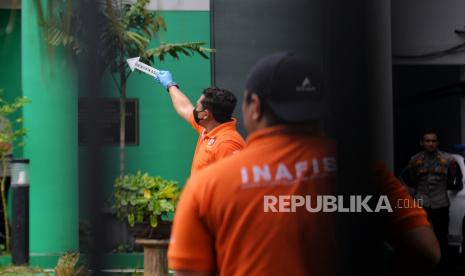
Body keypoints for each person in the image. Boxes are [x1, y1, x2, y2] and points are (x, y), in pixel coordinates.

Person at [167, 52, 439, 275]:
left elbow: (188, 271)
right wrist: (170, 85)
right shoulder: (364, 172)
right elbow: (427, 251)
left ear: (255, 107)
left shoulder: (209, 184)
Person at [153, 73, 246, 175]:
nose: (194, 110)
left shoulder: (227, 144)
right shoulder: (208, 128)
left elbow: (233, 184)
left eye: (197, 107)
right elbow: (184, 107)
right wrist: (170, 85)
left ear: (205, 115)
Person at [405, 130, 462, 274]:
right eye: (427, 141)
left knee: (441, 239)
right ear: (422, 143)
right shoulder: (414, 160)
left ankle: (442, 269)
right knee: (421, 239)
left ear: (438, 142)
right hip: (422, 203)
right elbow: (413, 180)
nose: (430, 144)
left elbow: (454, 182)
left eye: (433, 141)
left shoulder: (448, 160)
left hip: (440, 204)